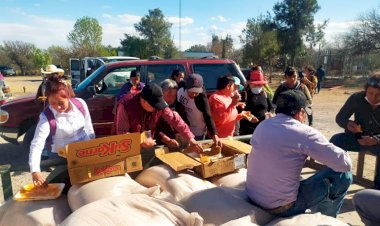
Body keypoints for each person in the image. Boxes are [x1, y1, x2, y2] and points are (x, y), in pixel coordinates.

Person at [246, 90, 352, 218]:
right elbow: (345, 164)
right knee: (343, 175)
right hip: (282, 207)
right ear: (301, 112)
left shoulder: (263, 125)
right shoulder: (304, 133)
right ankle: (327, 219)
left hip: (253, 196)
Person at [29, 77, 95, 187]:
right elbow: (37, 144)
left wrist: (92, 149)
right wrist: (35, 170)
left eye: (60, 102)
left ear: (68, 97)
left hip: (83, 152)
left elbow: (89, 128)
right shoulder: (46, 117)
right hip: (61, 156)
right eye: (52, 103)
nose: (57, 107)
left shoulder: (81, 104)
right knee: (66, 185)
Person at [114, 83, 203, 152]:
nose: (157, 109)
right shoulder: (125, 106)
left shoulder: (158, 104)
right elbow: (122, 133)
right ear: (144, 101)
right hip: (128, 149)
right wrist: (140, 141)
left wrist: (191, 139)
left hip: (148, 146)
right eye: (154, 107)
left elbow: (175, 120)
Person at [330, 75, 380, 189]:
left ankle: (378, 189)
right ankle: (335, 178)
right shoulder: (357, 98)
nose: (373, 98)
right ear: (365, 90)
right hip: (358, 138)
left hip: (377, 143)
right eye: (370, 93)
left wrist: (376, 139)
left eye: (378, 95)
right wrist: (347, 123)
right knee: (336, 140)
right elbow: (340, 117)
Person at [177, 73, 221, 146]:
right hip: (183, 129)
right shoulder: (180, 89)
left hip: (197, 131)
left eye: (196, 91)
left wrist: (214, 134)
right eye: (191, 91)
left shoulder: (201, 98)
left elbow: (208, 116)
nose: (194, 94)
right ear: (186, 87)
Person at [240, 70, 274, 135]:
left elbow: (271, 107)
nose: (257, 86)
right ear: (249, 83)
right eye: (255, 84)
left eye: (260, 84)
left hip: (263, 129)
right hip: (248, 130)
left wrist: (270, 113)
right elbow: (239, 112)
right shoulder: (244, 95)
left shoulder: (265, 93)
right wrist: (248, 116)